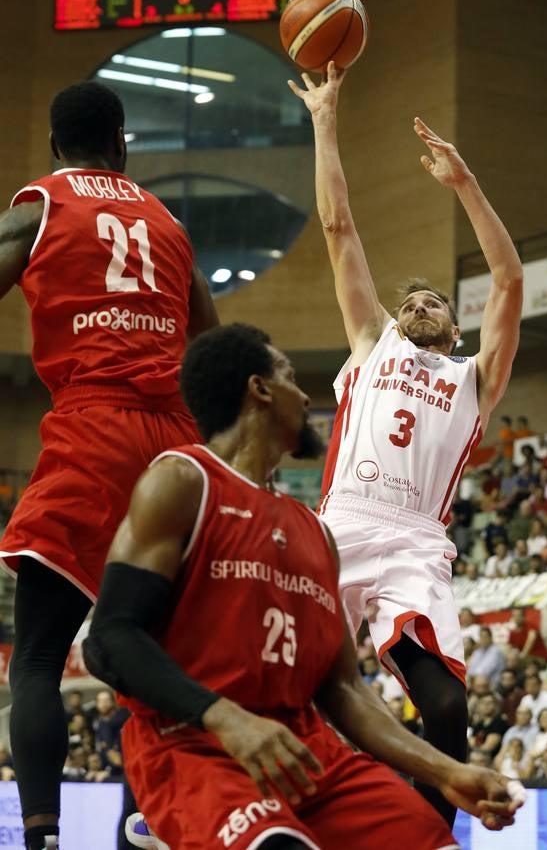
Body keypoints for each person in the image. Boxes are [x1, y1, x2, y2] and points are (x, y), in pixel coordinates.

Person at [83, 324, 522, 850]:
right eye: (290, 378)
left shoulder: (315, 534)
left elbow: (343, 690)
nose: (308, 397)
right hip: (195, 745)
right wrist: (227, 719)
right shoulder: (182, 481)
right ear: (260, 390)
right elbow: (108, 640)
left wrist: (446, 771)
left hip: (306, 752)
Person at [287, 62, 522, 826]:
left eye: (435, 303)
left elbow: (510, 281)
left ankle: (427, 837)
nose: (419, 305)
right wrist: (324, 119)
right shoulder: (372, 340)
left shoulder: (475, 377)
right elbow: (338, 227)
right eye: (411, 300)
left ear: (454, 328)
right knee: (276, 674)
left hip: (417, 541)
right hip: (342, 523)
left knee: (447, 708)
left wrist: (465, 185)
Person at [0, 81, 218, 850]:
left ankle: (42, 839)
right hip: (178, 443)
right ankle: (173, 818)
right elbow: (214, 349)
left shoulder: (38, 207)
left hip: (93, 427)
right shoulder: (169, 223)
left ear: (55, 146)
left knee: (36, 658)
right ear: (122, 143)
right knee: (165, 655)